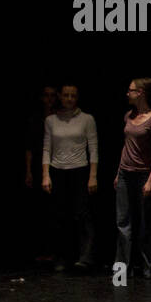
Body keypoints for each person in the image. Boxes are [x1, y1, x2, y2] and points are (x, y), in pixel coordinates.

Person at [42, 84, 98, 271]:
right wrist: (45, 175)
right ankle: (61, 257)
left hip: (80, 170)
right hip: (58, 170)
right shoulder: (51, 120)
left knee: (82, 215)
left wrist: (93, 176)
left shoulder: (87, 119)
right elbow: (47, 148)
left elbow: (93, 149)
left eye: (73, 96)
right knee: (59, 216)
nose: (69, 99)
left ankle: (85, 257)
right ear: (60, 96)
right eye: (66, 95)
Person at [114, 78, 151, 279]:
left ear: (141, 93)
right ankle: (122, 269)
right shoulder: (128, 116)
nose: (128, 93)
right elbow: (126, 146)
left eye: (131, 90)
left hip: (143, 173)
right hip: (126, 173)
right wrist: (118, 173)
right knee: (123, 222)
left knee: (144, 223)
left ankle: (148, 266)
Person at [25, 85, 59, 262]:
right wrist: (29, 171)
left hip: (58, 165)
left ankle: (56, 250)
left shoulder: (60, 117)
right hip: (39, 166)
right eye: (46, 96)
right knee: (40, 209)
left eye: (53, 96)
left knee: (56, 209)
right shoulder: (35, 119)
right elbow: (30, 147)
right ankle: (41, 249)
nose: (50, 99)